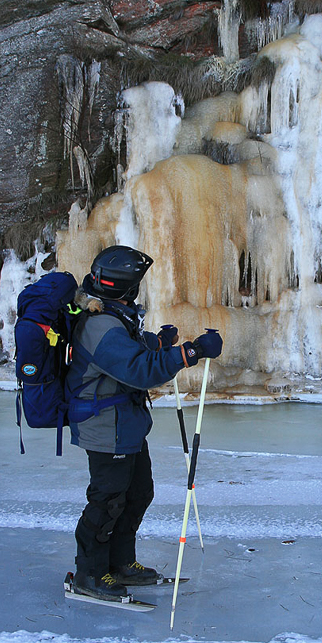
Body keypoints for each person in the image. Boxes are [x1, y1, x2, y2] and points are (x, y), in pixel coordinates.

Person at [65, 245, 223, 602]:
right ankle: (89, 573)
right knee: (107, 501)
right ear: (127, 287)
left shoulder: (111, 313)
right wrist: (191, 352)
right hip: (106, 424)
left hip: (126, 423)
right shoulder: (99, 324)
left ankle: (120, 563)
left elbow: (132, 348)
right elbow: (138, 370)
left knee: (137, 494)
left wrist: (161, 342)